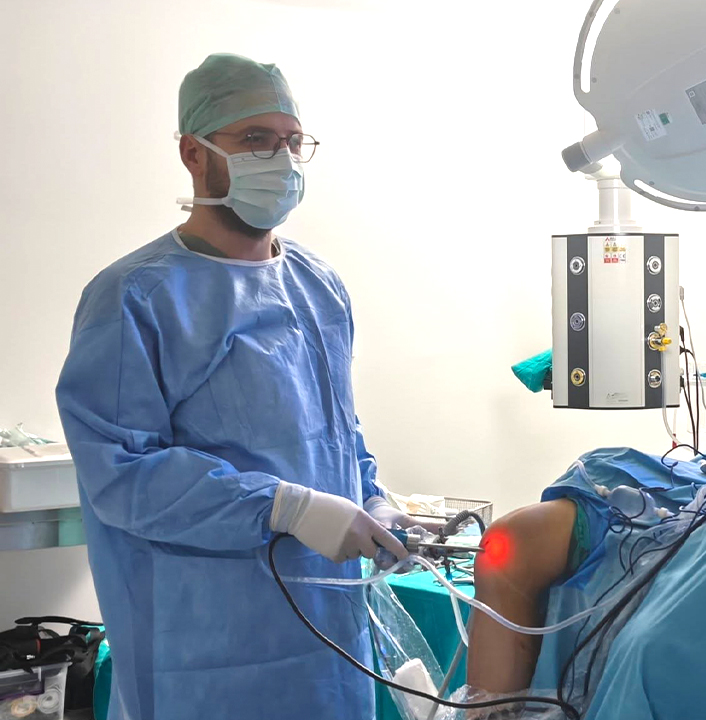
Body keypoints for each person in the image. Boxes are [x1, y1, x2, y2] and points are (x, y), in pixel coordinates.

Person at [55, 53, 434, 720]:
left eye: (292, 141)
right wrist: (284, 507)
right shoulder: (135, 297)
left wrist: (372, 496)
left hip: (329, 641)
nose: (280, 160)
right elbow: (121, 476)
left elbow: (335, 431)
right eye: (256, 139)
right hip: (206, 652)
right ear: (193, 153)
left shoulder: (318, 285)